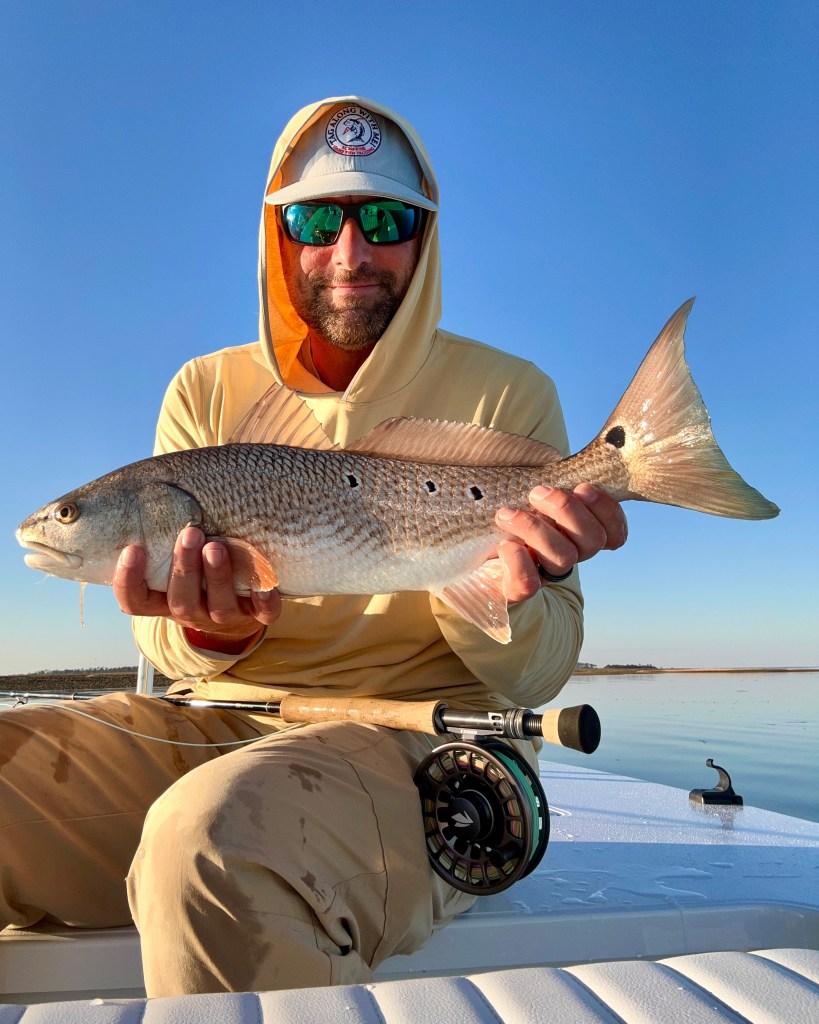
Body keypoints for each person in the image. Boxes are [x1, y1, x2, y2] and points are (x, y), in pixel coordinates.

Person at [1, 97, 626, 996]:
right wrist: (211, 634)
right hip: (221, 724)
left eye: (384, 220)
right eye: (311, 219)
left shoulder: (507, 392)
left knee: (208, 839)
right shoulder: (204, 389)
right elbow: (169, 649)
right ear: (275, 233)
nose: (350, 253)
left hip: (430, 741)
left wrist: (523, 589)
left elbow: (533, 680)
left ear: (425, 237)